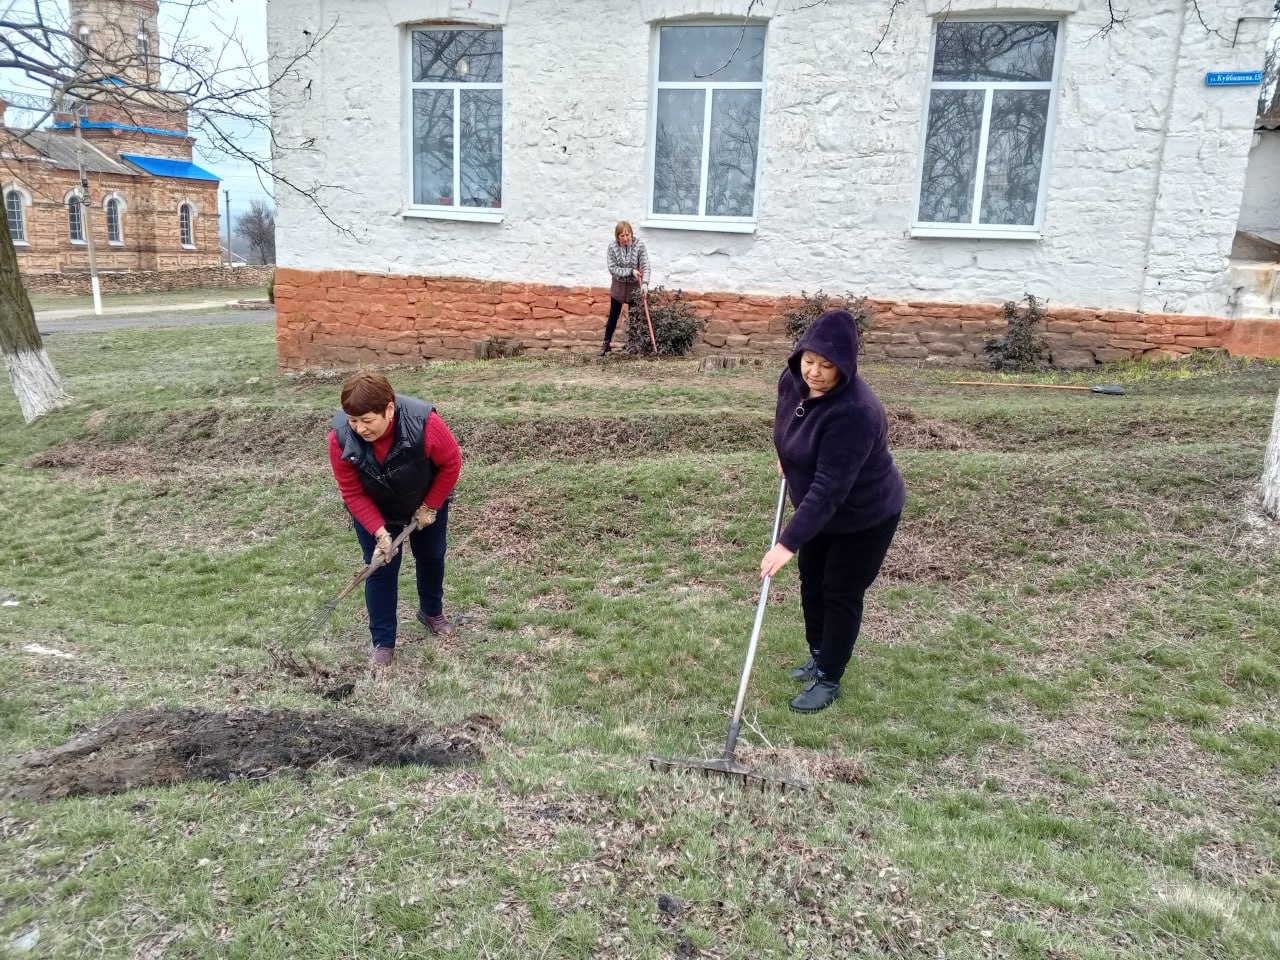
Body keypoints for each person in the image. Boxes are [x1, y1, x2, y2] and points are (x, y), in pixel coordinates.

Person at [759, 309, 906, 713]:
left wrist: (787, 543)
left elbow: (830, 488)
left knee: (840, 590)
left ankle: (829, 678)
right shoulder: (792, 382)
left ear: (846, 366)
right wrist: (786, 455)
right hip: (818, 509)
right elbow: (784, 424)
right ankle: (819, 652)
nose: (815, 373)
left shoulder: (857, 412)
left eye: (827, 366)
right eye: (809, 361)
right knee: (813, 582)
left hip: (864, 515)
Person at [329, 371, 462, 666]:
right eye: (353, 421)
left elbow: (452, 463)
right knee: (380, 569)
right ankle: (383, 642)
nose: (360, 429)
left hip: (424, 498)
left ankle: (430, 612)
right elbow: (351, 492)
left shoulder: (424, 423)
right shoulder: (339, 437)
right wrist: (379, 532)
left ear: (389, 409)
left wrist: (430, 506)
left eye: (367, 420)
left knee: (431, 556)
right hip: (376, 507)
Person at [601, 220, 650, 356]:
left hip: (634, 287)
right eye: (621, 236)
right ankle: (606, 344)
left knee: (634, 317)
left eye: (627, 235)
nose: (625, 238)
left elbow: (645, 265)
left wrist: (645, 283)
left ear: (631, 234)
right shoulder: (612, 247)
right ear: (617, 237)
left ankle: (633, 346)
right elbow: (613, 268)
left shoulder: (639, 245)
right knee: (613, 315)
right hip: (618, 287)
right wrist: (630, 271)